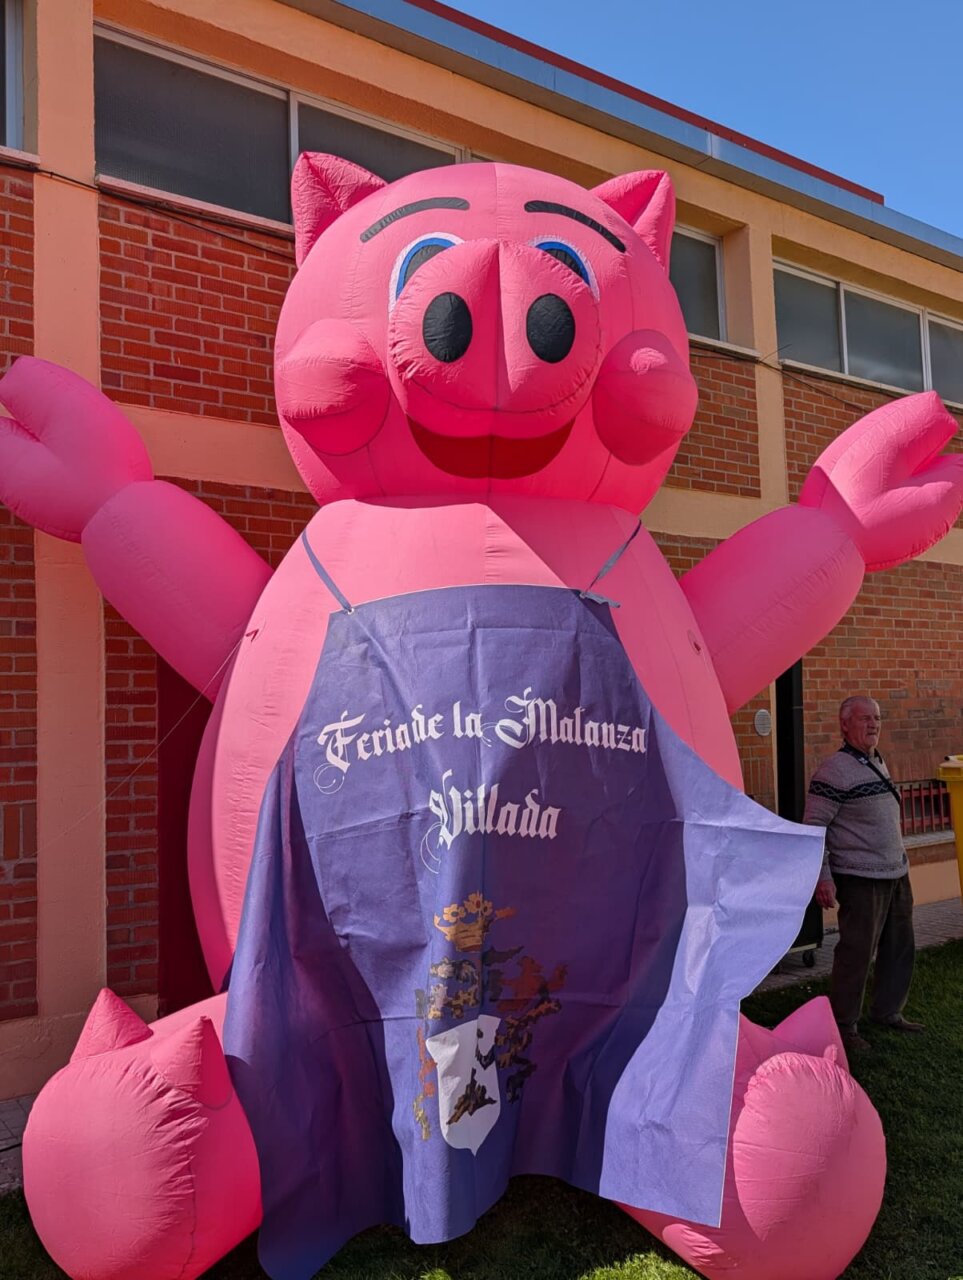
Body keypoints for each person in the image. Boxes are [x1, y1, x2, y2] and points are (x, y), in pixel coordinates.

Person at [804, 695, 923, 1053]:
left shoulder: (877, 760)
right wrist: (823, 876)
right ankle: (843, 1026)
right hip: (860, 877)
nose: (873, 724)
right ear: (844, 724)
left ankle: (888, 1011)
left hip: (895, 872)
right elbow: (814, 827)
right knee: (856, 953)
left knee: (900, 947)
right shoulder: (833, 770)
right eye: (864, 718)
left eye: (877, 718)